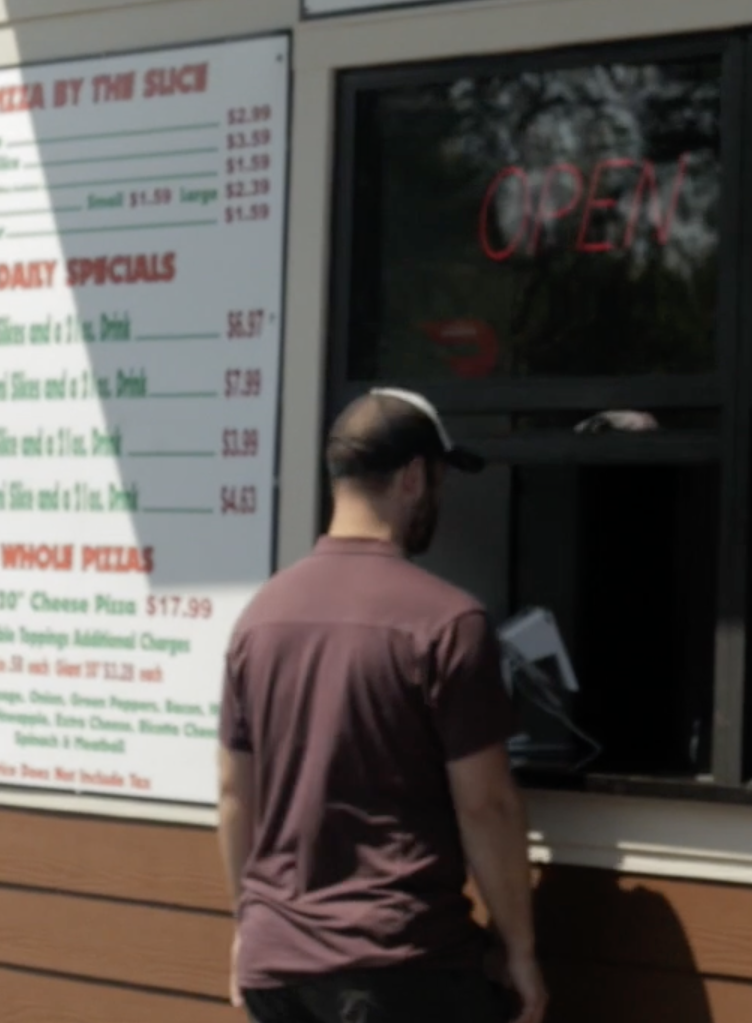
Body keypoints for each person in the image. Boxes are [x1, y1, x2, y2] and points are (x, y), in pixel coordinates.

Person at [217, 388, 544, 1023]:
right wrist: (520, 950)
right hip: (398, 967)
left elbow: (234, 793)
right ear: (415, 478)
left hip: (275, 970)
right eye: (441, 480)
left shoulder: (259, 619)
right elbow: (487, 804)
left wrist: (247, 927)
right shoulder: (449, 622)